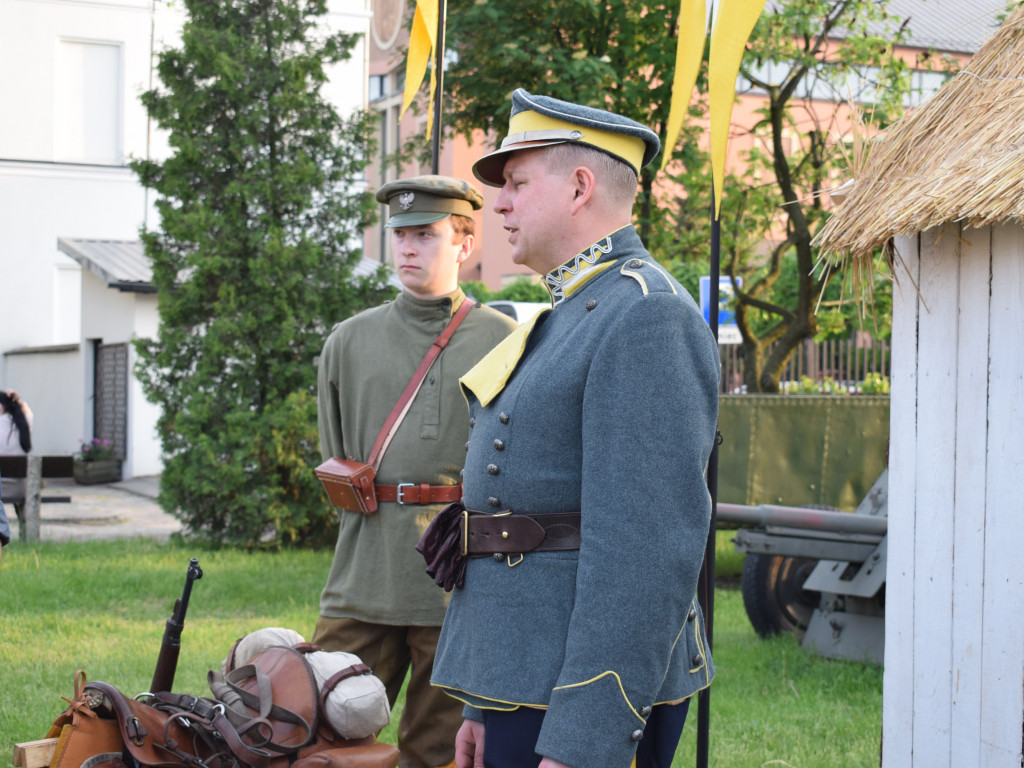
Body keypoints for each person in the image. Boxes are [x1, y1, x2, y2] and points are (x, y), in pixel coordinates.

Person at [427, 90, 721, 768]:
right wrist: (483, 702)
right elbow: (516, 514)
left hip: (579, 696)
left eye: (517, 183)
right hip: (525, 678)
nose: (498, 203)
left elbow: (646, 553)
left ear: (580, 188)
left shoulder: (645, 316)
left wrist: (586, 737)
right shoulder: (570, 312)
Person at [313, 175, 518, 768]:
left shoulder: (506, 340)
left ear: (463, 243)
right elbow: (339, 454)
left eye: (425, 234)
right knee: (319, 733)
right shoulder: (348, 342)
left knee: (436, 750)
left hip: (454, 574)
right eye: (399, 234)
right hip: (363, 573)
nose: (407, 247)